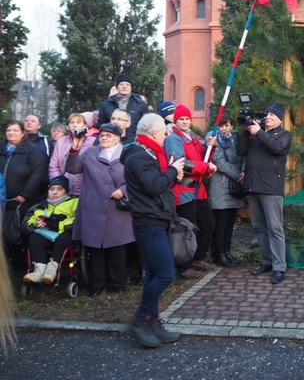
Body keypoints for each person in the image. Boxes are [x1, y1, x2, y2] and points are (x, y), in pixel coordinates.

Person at [121, 113, 185, 348]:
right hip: (149, 223)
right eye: (165, 132)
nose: (167, 135)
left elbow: (159, 185)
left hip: (155, 219)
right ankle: (140, 320)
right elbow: (154, 185)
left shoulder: (148, 154)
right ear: (155, 133)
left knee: (155, 274)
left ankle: (152, 322)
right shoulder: (140, 157)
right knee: (166, 274)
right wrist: (170, 170)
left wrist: (173, 176)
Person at [66, 123, 134, 296]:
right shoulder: (89, 153)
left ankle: (117, 284)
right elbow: (72, 169)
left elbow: (135, 179)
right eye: (102, 135)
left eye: (108, 135)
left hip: (117, 209)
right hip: (93, 208)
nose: (104, 138)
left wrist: (123, 191)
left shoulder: (127, 155)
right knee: (95, 249)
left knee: (117, 249)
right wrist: (75, 149)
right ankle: (96, 285)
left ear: (118, 138)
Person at [237, 103, 291, 285]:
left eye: (272, 115)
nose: (268, 117)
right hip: (253, 187)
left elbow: (278, 148)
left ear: (280, 119)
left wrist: (259, 132)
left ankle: (279, 267)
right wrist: (246, 131)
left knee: (275, 229)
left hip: (271, 189)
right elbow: (240, 151)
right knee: (259, 228)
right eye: (267, 114)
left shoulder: (284, 135)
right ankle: (267, 261)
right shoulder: (255, 134)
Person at [163, 104, 217, 279]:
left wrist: (211, 147)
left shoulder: (192, 137)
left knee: (208, 224)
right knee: (187, 228)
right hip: (183, 190)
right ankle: (185, 265)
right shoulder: (174, 139)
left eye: (187, 119)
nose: (185, 121)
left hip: (198, 190)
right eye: (181, 119)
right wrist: (205, 166)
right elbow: (181, 164)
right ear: (176, 121)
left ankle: (198, 257)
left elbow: (203, 158)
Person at [0, 121, 48, 272]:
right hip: (2, 202)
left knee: (20, 235)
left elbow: (37, 175)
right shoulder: (1, 150)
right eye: (9, 130)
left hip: (23, 202)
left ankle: (22, 268)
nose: (11, 133)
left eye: (15, 130)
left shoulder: (32, 152)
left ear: (22, 133)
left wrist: (24, 195)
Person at [20, 175, 78, 284]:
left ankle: (52, 269)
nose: (54, 192)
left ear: (66, 192)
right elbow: (25, 225)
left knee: (65, 238)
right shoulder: (40, 206)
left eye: (59, 189)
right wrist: (37, 223)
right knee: (34, 238)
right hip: (45, 235)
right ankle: (39, 270)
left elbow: (78, 222)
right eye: (52, 189)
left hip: (64, 235)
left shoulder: (74, 202)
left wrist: (57, 225)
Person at [206, 115, 245, 268]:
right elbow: (219, 161)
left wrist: (244, 172)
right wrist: (238, 175)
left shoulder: (234, 140)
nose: (224, 128)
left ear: (232, 126)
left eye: (227, 125)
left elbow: (242, 157)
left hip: (233, 187)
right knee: (221, 221)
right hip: (220, 185)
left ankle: (227, 251)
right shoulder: (212, 137)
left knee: (230, 221)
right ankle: (219, 253)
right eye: (221, 125)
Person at [48, 113, 96, 195]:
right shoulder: (61, 141)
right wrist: (59, 184)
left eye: (78, 122)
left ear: (85, 125)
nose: (74, 125)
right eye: (72, 122)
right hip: (63, 191)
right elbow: (53, 166)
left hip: (86, 191)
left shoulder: (93, 142)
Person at [97, 74, 149, 140]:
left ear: (131, 87)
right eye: (121, 84)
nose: (124, 86)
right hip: (111, 140)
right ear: (116, 87)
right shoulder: (106, 104)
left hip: (134, 141)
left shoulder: (140, 104)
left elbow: (146, 125)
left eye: (127, 84)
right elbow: (101, 125)